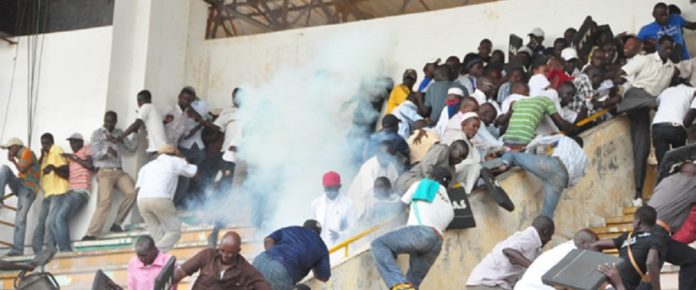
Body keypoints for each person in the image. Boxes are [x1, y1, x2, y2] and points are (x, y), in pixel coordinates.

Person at [371, 167, 455, 290]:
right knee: (412, 285)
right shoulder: (449, 205)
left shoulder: (423, 184)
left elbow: (400, 207)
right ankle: (404, 285)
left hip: (420, 233)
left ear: (431, 176)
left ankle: (398, 283)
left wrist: (381, 208)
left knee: (379, 244)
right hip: (436, 243)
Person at [617, 35, 676, 205]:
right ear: (658, 46)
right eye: (665, 47)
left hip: (648, 106)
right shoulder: (645, 59)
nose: (668, 50)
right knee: (652, 101)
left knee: (641, 146)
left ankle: (638, 192)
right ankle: (618, 107)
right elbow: (622, 73)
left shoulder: (671, 68)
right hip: (636, 96)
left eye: (670, 48)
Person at [83, 111, 139, 240]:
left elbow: (132, 147)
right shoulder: (97, 134)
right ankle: (91, 233)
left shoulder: (119, 133)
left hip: (119, 171)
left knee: (132, 192)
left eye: (111, 121)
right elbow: (95, 155)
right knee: (105, 202)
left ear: (115, 121)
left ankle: (117, 223)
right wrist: (106, 150)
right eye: (107, 121)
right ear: (104, 119)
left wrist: (135, 132)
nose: (109, 124)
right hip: (105, 172)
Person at [135, 145, 198, 252]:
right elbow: (192, 171)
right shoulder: (174, 161)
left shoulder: (147, 165)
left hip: (141, 199)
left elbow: (138, 187)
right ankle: (152, 253)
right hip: (160, 197)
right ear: (175, 154)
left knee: (156, 234)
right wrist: (182, 158)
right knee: (175, 230)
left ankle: (156, 261)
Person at [466, 215, 555, 290]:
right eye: (550, 235)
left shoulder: (534, 247)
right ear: (545, 232)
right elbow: (509, 251)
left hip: (484, 283)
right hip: (487, 283)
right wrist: (534, 266)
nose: (550, 239)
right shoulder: (531, 235)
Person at [647, 161, 696, 289]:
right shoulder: (691, 184)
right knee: (650, 277)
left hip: (647, 229)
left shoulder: (666, 180)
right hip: (658, 233)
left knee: (692, 259)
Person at [591, 206, 666, 290]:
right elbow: (651, 262)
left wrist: (596, 272)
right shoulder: (655, 238)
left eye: (633, 219)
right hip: (619, 284)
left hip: (615, 283)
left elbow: (595, 245)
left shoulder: (627, 236)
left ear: (638, 222)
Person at [173, 231, 271, 290]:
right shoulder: (207, 255)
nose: (224, 255)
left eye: (229, 253)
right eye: (222, 250)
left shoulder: (246, 270)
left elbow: (264, 286)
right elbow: (181, 272)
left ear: (238, 251)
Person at [253, 220, 331, 290]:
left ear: (304, 226)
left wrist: (272, 256)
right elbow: (323, 277)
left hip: (260, 260)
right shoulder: (321, 246)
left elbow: (268, 240)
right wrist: (313, 264)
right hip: (281, 272)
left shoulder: (293, 229)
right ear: (319, 233)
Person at [514, 229, 599, 290]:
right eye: (596, 248)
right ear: (585, 243)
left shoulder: (565, 249)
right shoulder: (571, 254)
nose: (597, 254)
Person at [53, 133, 94, 252]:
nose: (72, 145)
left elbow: (90, 165)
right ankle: (62, 249)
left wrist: (73, 157)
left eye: (75, 142)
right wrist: (54, 168)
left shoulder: (86, 149)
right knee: (54, 221)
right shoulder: (72, 158)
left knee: (60, 218)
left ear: (81, 142)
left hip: (80, 192)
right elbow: (68, 175)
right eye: (71, 143)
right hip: (70, 191)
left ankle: (66, 251)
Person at [0, 138, 39, 256]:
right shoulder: (21, 156)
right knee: (4, 169)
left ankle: (17, 250)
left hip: (28, 188)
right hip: (21, 185)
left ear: (17, 146)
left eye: (10, 148)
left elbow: (22, 168)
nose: (9, 150)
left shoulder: (26, 152)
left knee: (20, 219)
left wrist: (13, 161)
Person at [33, 133, 69, 254]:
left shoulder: (57, 149)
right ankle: (37, 250)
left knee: (50, 221)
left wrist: (53, 167)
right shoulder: (44, 156)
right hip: (48, 193)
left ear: (52, 142)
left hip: (58, 191)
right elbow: (35, 171)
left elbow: (65, 169)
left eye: (47, 143)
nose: (45, 146)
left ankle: (50, 249)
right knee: (40, 222)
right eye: (43, 143)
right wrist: (42, 155)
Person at [394, 140, 469, 194]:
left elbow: (450, 187)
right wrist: (433, 187)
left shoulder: (452, 169)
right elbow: (426, 166)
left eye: (463, 158)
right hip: (411, 180)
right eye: (461, 155)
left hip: (427, 190)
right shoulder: (442, 149)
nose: (461, 160)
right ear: (452, 147)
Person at [347, 142, 400, 217]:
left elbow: (395, 184)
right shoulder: (369, 167)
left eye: (389, 157)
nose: (386, 158)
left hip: (381, 199)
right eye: (383, 155)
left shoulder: (390, 165)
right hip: (360, 202)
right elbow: (369, 193)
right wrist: (385, 202)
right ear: (378, 154)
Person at [502, 96, 576, 146]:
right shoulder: (547, 101)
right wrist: (574, 127)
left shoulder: (519, 102)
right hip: (524, 142)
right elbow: (562, 125)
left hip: (507, 141)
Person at [652, 84, 696, 164]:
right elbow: (687, 122)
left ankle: (663, 175)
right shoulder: (694, 92)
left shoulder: (667, 91)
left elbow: (656, 106)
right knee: (679, 163)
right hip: (675, 127)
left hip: (657, 126)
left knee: (662, 163)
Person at [311, 171, 357, 246]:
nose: (331, 191)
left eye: (333, 188)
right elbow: (312, 225)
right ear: (323, 187)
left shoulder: (349, 204)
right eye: (328, 188)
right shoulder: (316, 204)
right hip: (321, 246)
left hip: (342, 247)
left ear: (339, 186)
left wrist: (340, 235)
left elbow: (354, 229)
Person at [212, 87, 243, 194]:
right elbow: (215, 128)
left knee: (239, 181)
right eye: (235, 97)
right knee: (223, 179)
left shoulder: (251, 112)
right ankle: (217, 203)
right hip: (227, 151)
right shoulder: (227, 112)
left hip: (243, 154)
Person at [120, 90, 169, 155]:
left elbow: (136, 124)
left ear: (149, 100)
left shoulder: (146, 106)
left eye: (141, 100)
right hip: (161, 148)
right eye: (138, 100)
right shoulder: (155, 108)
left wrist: (121, 137)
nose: (139, 103)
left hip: (157, 149)